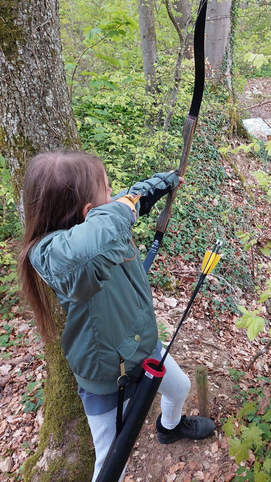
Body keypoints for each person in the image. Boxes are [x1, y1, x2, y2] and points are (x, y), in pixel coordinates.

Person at [18, 150, 214, 482]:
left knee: (179, 387)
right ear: (89, 212)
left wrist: (159, 185)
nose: (115, 196)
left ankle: (169, 428)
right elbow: (99, 232)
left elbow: (127, 200)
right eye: (107, 191)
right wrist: (122, 208)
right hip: (109, 378)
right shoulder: (54, 256)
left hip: (142, 346)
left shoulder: (102, 224)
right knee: (111, 466)